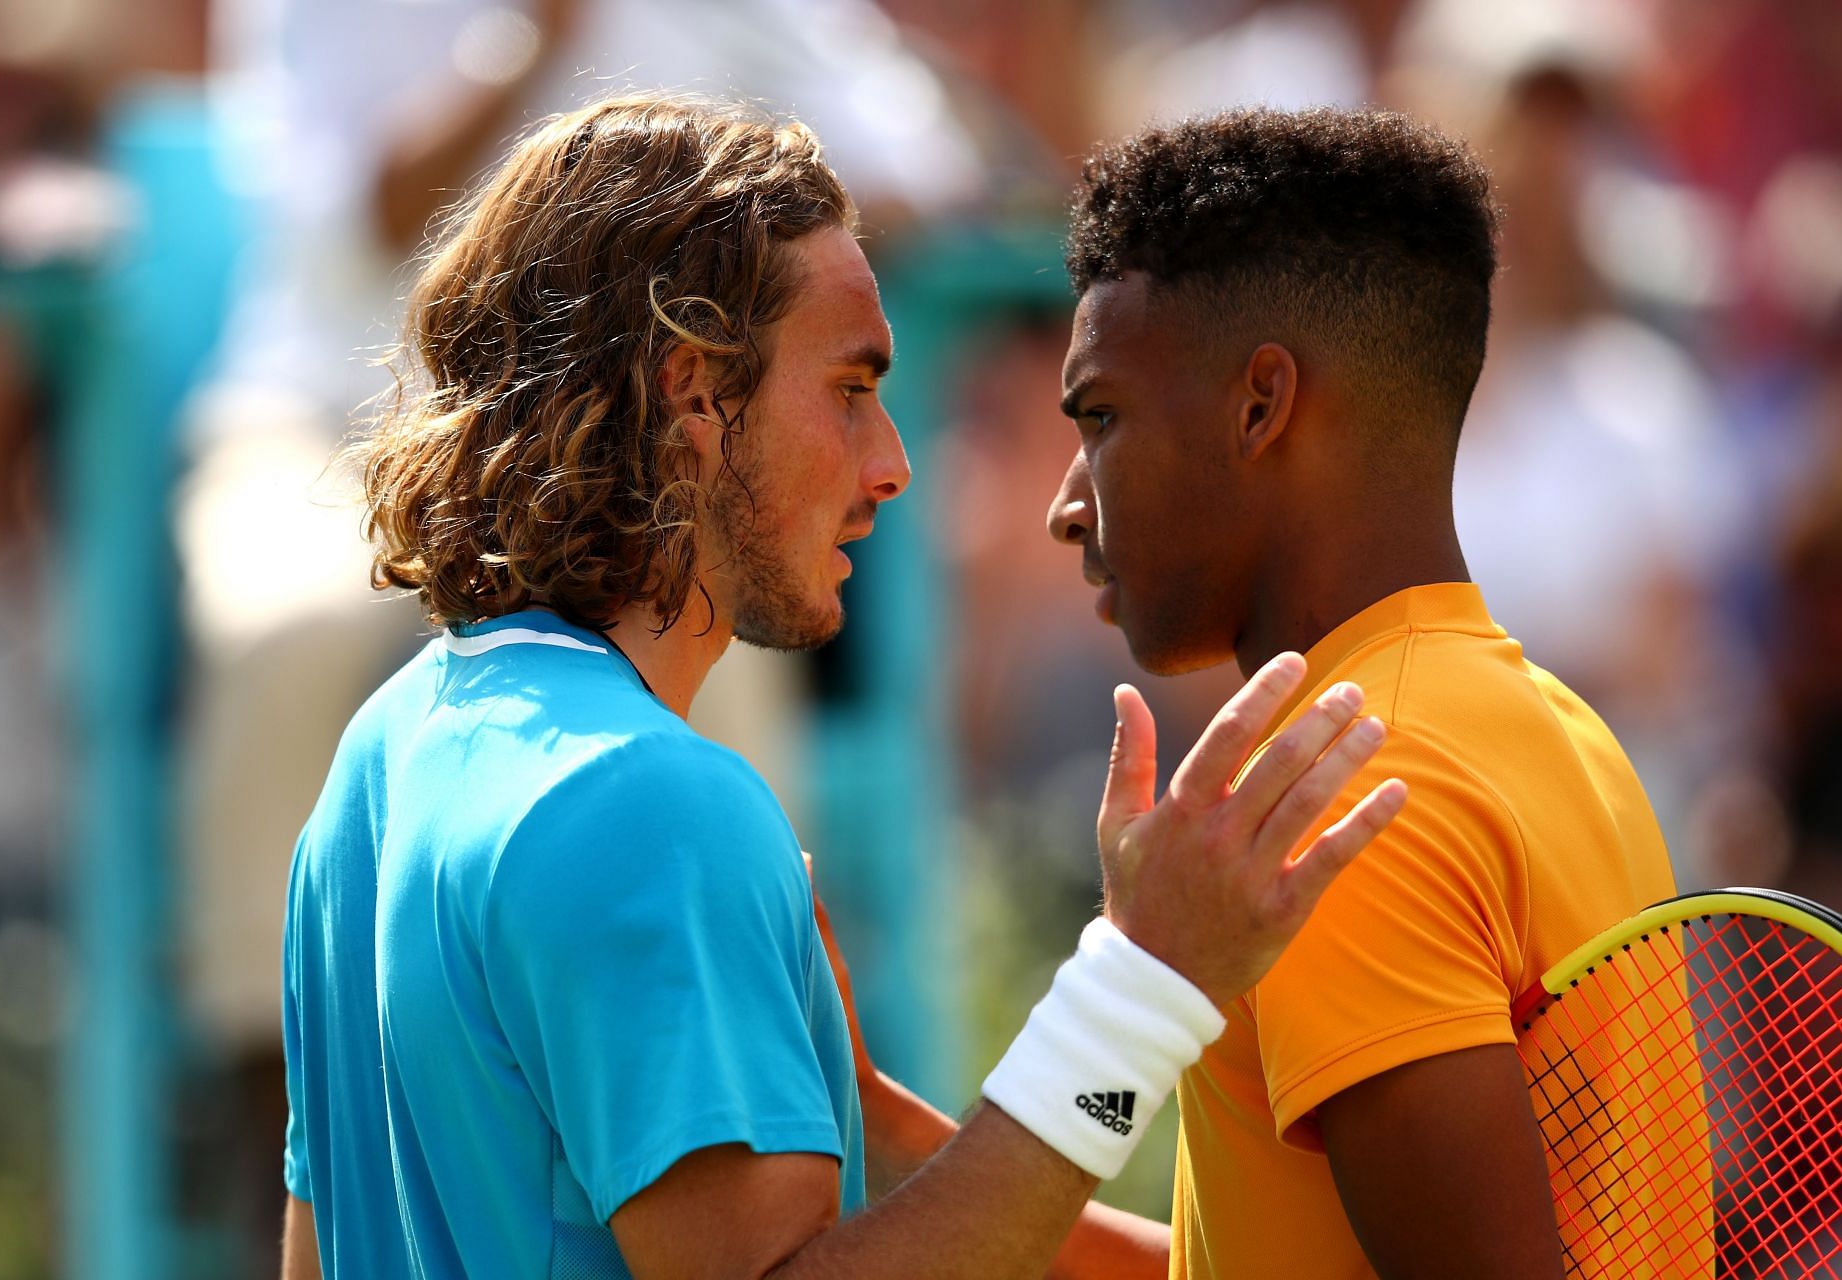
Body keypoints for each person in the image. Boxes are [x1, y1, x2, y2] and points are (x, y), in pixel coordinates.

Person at [279, 94, 1408, 1279]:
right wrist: (1140, 993)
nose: (894, 464)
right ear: (696, 393)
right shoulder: (648, 803)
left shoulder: (381, 755)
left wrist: (861, 1107)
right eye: (852, 388)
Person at [1044, 108, 1690, 1278]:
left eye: (1102, 419)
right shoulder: (1549, 721)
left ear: (1261, 405)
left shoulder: (1338, 800)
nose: (1068, 502)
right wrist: (893, 1127)